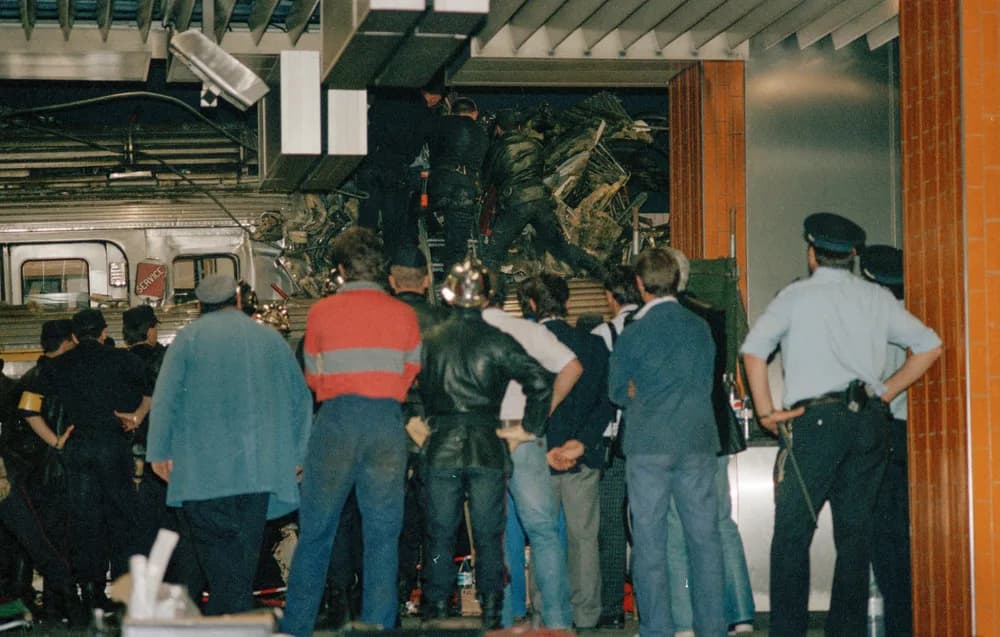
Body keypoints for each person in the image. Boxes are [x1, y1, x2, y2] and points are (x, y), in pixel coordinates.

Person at [740, 213, 943, 637]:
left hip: (815, 422)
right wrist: (884, 392)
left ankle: (789, 632)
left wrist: (766, 412)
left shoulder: (795, 297)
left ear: (812, 254)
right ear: (853, 255)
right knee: (856, 540)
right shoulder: (877, 298)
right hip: (869, 424)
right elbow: (929, 345)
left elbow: (755, 352)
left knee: (793, 535)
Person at [283, 227, 422, 636]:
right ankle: (378, 625)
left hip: (337, 422)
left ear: (341, 270)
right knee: (383, 535)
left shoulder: (321, 312)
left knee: (317, 532)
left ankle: (297, 627)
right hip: (386, 424)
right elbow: (410, 371)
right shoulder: (404, 314)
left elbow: (312, 373)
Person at [146, 274, 312, 616]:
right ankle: (234, 618)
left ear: (197, 306)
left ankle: (230, 620)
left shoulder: (187, 339)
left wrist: (158, 452)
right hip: (258, 472)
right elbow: (300, 399)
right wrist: (299, 454)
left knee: (220, 562)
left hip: (202, 474)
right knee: (242, 560)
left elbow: (165, 400)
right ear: (238, 300)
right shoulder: (270, 338)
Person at [417, 258, 554, 630]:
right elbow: (541, 380)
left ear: (447, 294)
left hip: (441, 444)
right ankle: (493, 614)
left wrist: (417, 428)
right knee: (489, 536)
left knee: (440, 534)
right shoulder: (497, 340)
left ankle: (438, 612)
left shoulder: (429, 341)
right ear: (486, 296)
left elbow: (406, 389)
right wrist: (528, 428)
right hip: (488, 446)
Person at [608, 247, 726, 637]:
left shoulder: (634, 333)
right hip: (696, 440)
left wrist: (636, 391)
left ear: (639, 285)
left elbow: (617, 393)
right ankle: (712, 628)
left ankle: (657, 629)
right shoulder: (701, 326)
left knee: (650, 541)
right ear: (677, 280)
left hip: (648, 445)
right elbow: (706, 383)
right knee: (705, 540)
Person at [20, 309, 151, 614]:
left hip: (77, 449)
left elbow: (28, 408)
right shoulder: (124, 360)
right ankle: (123, 591)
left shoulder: (57, 366)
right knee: (122, 519)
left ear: (75, 336)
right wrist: (135, 418)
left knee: (85, 522)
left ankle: (90, 591)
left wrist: (55, 440)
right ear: (104, 332)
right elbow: (150, 392)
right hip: (113, 447)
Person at [663, 247, 755, 636]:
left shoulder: (652, 320)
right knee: (720, 521)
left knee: (674, 525)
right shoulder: (712, 314)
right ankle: (741, 615)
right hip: (714, 427)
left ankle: (684, 622)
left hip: (672, 431)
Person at [481, 270, 579, 629]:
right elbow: (572, 367)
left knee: (494, 529)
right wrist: (540, 414)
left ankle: (503, 618)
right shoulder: (527, 330)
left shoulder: (461, 331)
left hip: (482, 438)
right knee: (542, 530)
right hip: (522, 435)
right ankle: (556, 621)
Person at [517, 273, 612, 629]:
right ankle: (586, 613)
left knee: (543, 536)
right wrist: (581, 443)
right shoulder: (594, 346)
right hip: (580, 456)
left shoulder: (524, 347)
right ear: (567, 302)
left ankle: (545, 612)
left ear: (530, 306)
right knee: (583, 537)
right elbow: (606, 403)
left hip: (537, 455)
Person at [387, 246, 449, 611]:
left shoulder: (381, 319)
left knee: (392, 513)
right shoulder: (443, 321)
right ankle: (434, 594)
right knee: (438, 517)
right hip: (432, 426)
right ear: (427, 281)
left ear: (392, 282)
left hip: (392, 424)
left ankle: (394, 588)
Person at [481, 109, 605, 279]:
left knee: (493, 252)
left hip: (516, 203)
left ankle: (489, 292)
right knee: (559, 246)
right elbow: (540, 173)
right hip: (540, 201)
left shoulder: (496, 148)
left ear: (498, 129)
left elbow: (487, 180)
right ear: (518, 128)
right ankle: (599, 270)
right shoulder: (534, 145)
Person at [861, 244, 913, 637]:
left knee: (884, 543)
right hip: (912, 438)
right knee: (905, 542)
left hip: (881, 436)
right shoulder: (913, 317)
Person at [590, 264, 641, 630]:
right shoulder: (658, 329)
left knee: (610, 527)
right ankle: (650, 601)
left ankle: (611, 608)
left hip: (612, 443)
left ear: (611, 297)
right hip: (651, 442)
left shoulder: (601, 334)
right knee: (648, 525)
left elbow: (597, 393)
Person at [426, 97, 490, 271]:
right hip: (465, 189)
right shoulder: (481, 133)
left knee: (421, 215)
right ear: (475, 114)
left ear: (452, 112)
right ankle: (452, 286)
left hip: (438, 185)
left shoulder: (439, 124)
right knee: (457, 245)